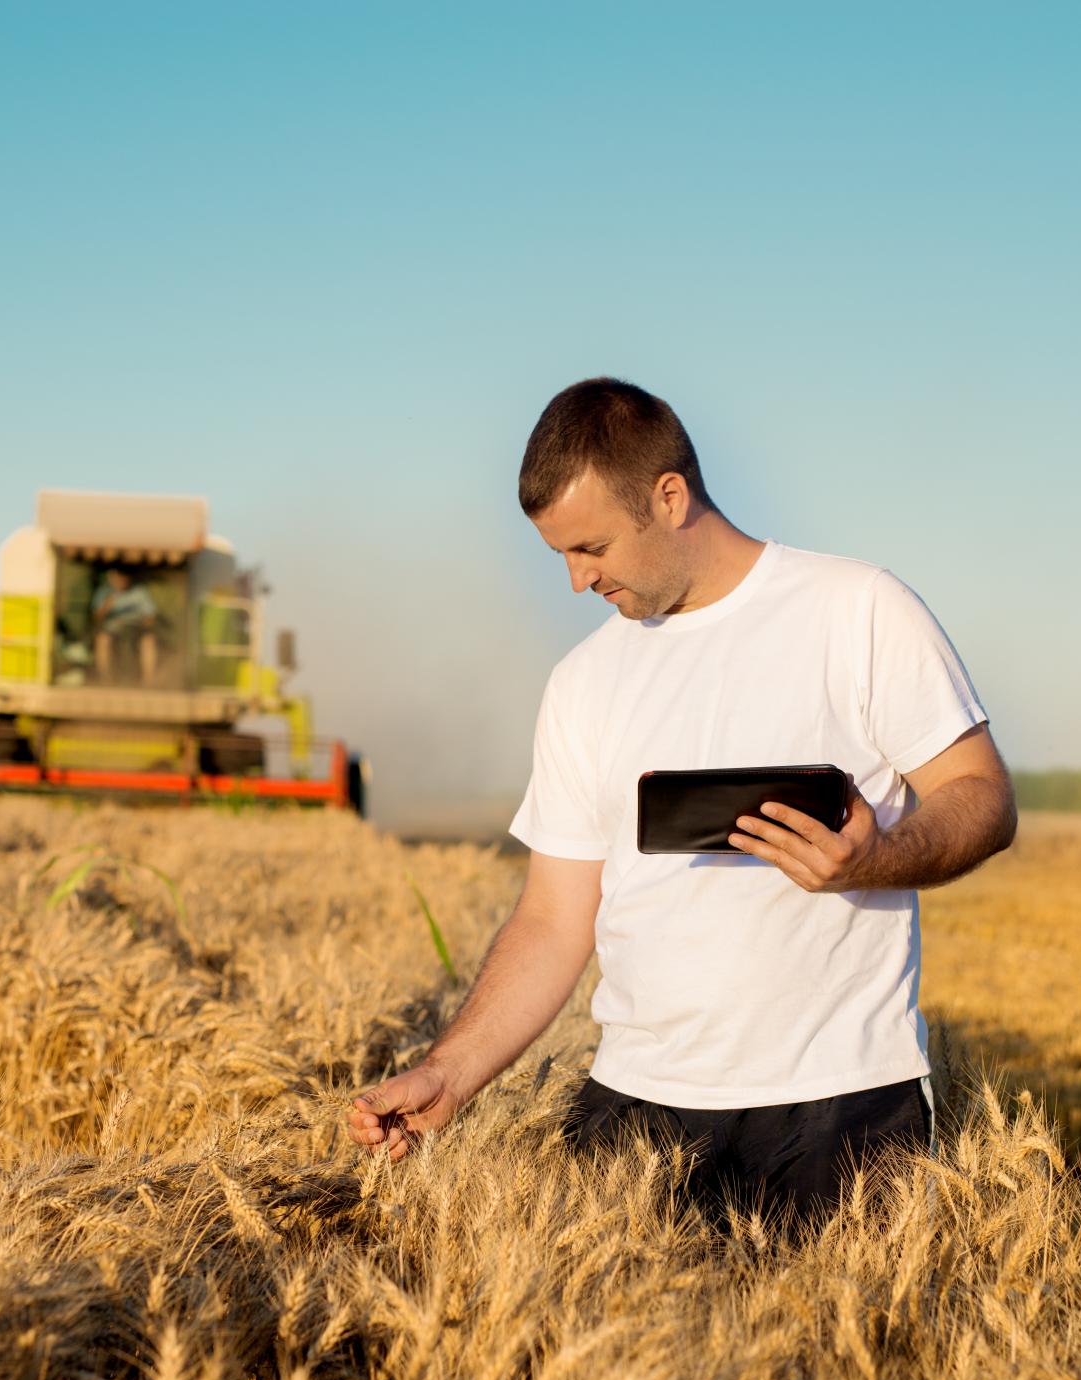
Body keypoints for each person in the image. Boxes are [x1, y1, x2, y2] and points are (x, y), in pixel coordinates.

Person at [347, 377, 1017, 1226]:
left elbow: (983, 796)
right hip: (635, 1114)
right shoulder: (583, 682)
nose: (575, 580)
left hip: (842, 1112)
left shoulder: (858, 610)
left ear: (669, 496)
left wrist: (876, 858)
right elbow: (553, 919)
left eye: (590, 547)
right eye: (557, 554)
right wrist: (449, 1072)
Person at [92, 568, 160, 685]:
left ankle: (148, 680)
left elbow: (151, 616)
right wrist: (106, 606)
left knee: (149, 640)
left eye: (122, 578)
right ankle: (105, 679)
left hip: (135, 628)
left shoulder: (139, 593)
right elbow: (96, 618)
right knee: (102, 640)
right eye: (116, 578)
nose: (119, 581)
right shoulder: (104, 592)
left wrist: (146, 623)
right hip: (112, 629)